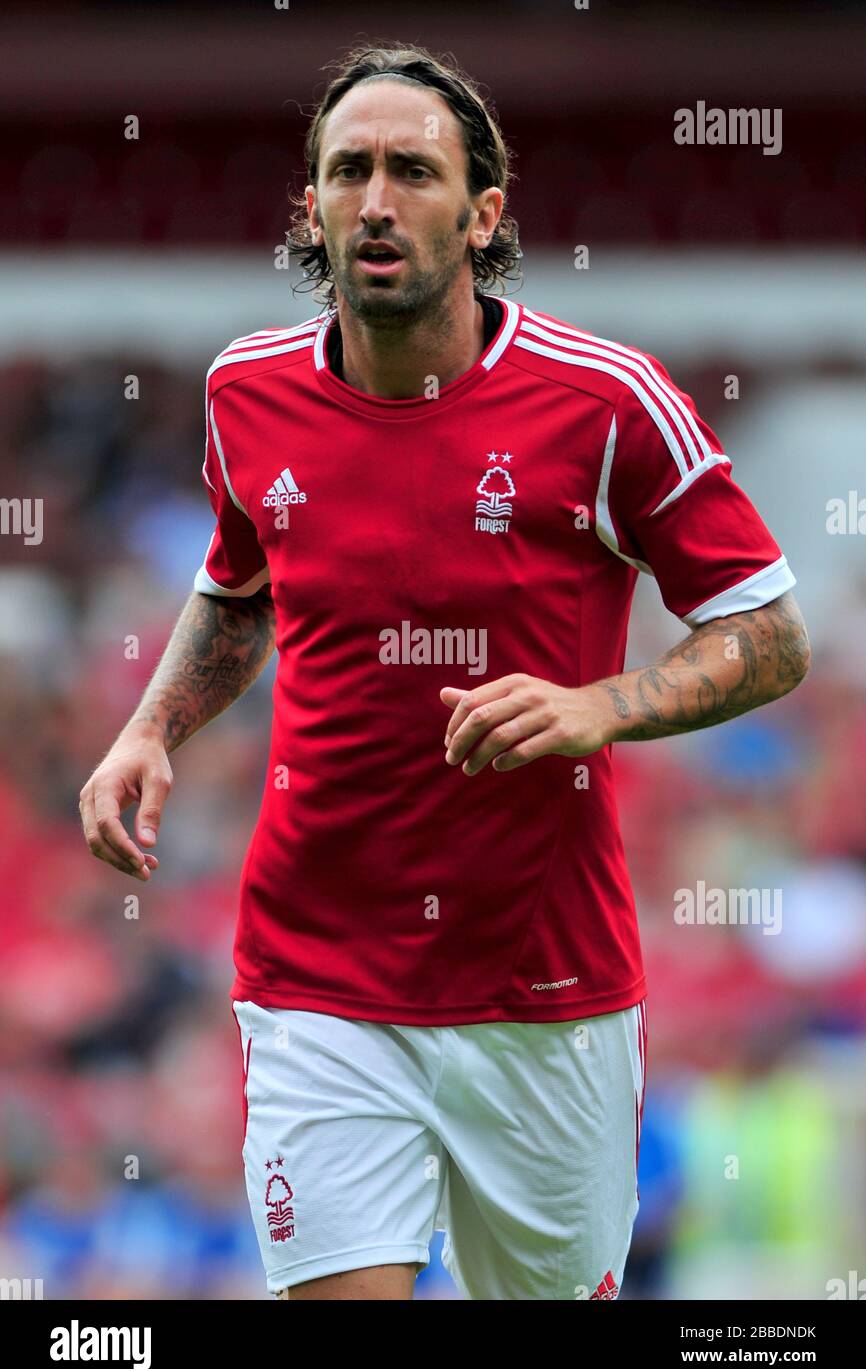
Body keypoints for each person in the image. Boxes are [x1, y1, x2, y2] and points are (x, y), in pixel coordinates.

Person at [79, 43, 810, 1301]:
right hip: (317, 977)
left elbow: (769, 634)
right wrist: (152, 729)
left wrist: (601, 705)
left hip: (545, 991)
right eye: (347, 170)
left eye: (411, 171)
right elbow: (242, 587)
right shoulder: (244, 392)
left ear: (480, 215)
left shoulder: (608, 403)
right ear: (309, 207)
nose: (375, 199)